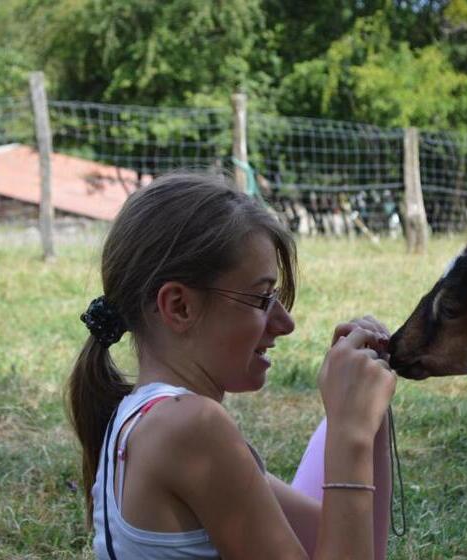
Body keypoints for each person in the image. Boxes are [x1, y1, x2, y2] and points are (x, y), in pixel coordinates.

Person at [67, 171, 397, 559]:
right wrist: (350, 433)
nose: (285, 324)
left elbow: (359, 545)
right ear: (180, 306)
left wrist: (369, 419)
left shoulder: (143, 417)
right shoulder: (190, 427)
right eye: (261, 299)